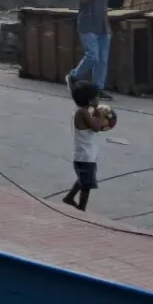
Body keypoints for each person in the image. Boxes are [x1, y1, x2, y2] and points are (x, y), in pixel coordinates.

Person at [65, 0, 113, 102]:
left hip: (103, 28)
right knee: (93, 56)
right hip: (88, 26)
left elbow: (104, 8)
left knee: (102, 61)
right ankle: (74, 76)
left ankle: (98, 89)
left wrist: (108, 29)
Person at [63, 83, 108, 212]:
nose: (98, 100)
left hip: (85, 155)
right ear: (90, 100)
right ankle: (82, 209)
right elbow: (96, 127)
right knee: (86, 185)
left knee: (82, 179)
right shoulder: (83, 112)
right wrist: (100, 115)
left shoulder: (82, 112)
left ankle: (69, 197)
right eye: (97, 97)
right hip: (85, 156)